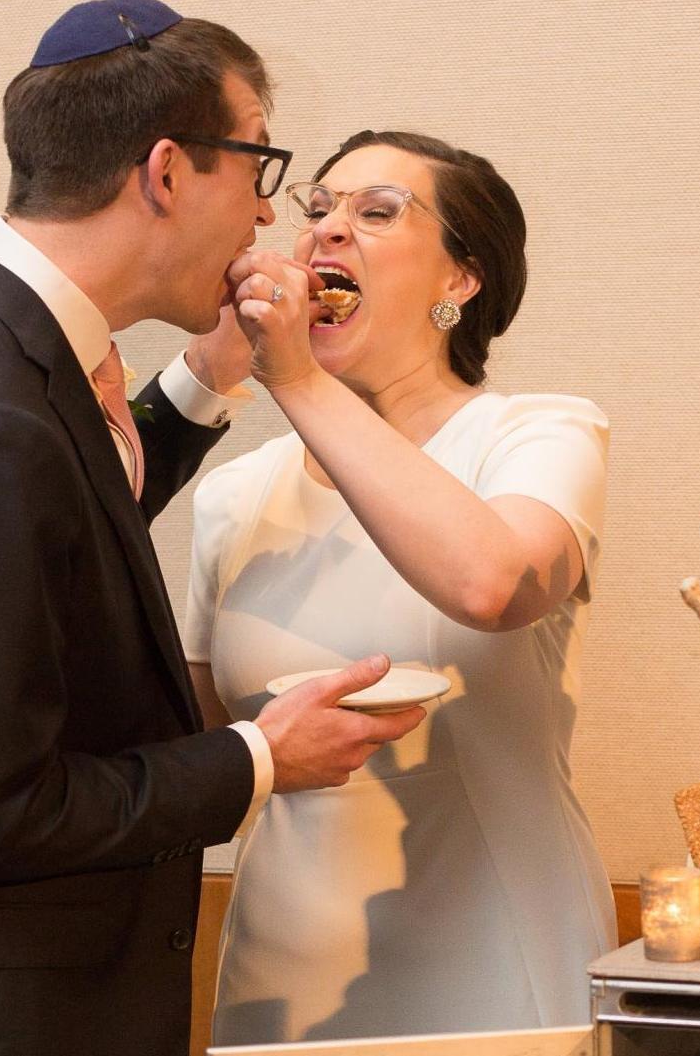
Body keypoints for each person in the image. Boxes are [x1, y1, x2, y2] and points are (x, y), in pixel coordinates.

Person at [0, 0, 425, 1056]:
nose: (267, 219)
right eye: (256, 167)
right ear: (167, 172)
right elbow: (0, 809)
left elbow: (51, 537)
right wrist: (261, 753)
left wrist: (208, 380)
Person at [189, 130, 618, 1044]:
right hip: (283, 978)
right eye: (316, 211)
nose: (325, 235)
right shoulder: (234, 494)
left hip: (495, 968)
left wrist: (297, 377)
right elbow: (187, 745)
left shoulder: (537, 436)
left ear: (461, 278)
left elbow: (493, 583)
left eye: (375, 213)